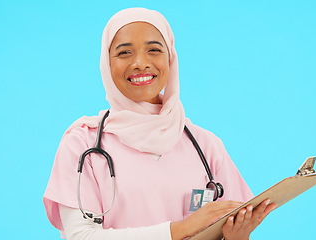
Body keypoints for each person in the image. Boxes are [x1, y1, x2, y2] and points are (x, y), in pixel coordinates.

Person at [43, 7, 276, 240]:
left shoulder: (205, 145)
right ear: (106, 62)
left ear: (170, 57)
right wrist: (180, 229)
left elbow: (225, 226)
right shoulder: (83, 143)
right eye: (124, 53)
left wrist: (237, 237)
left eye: (154, 50)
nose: (140, 63)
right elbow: (81, 236)